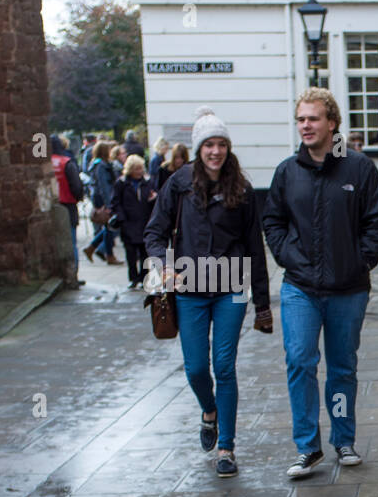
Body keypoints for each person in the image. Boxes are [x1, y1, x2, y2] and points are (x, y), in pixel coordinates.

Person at [262, 87, 378, 479]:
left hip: (348, 289)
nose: (305, 125)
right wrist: (288, 256)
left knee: (341, 367)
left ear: (331, 123)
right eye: (300, 118)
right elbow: (272, 221)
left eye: (313, 118)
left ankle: (343, 439)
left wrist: (360, 260)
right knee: (300, 361)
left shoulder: (358, 168)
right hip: (300, 287)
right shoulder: (287, 171)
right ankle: (307, 447)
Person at [144, 107, 273, 477]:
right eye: (209, 145)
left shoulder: (243, 189)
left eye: (221, 144)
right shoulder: (179, 185)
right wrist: (161, 265)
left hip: (231, 289)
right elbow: (154, 232)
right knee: (197, 368)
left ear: (228, 148)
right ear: (199, 148)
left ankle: (227, 448)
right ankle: (209, 411)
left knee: (225, 367)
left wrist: (262, 303)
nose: (215, 151)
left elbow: (254, 247)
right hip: (190, 290)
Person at [110, 154, 157, 289]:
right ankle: (133, 278)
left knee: (144, 253)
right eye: (136, 169)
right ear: (130, 169)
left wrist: (153, 199)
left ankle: (144, 277)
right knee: (130, 253)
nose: (139, 171)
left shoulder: (148, 182)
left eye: (141, 168)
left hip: (144, 221)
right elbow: (115, 202)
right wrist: (121, 217)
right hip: (129, 222)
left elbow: (155, 196)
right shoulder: (122, 183)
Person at [49, 134, 85, 284]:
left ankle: (59, 274)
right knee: (71, 243)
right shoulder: (67, 162)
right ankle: (72, 276)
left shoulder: (47, 163)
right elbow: (76, 186)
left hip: (52, 207)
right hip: (68, 205)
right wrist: (78, 197)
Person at [83, 141, 120, 265]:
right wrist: (109, 204)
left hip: (100, 197)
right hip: (103, 199)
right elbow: (104, 186)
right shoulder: (101, 166)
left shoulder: (97, 164)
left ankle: (94, 248)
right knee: (110, 226)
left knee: (108, 227)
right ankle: (106, 253)